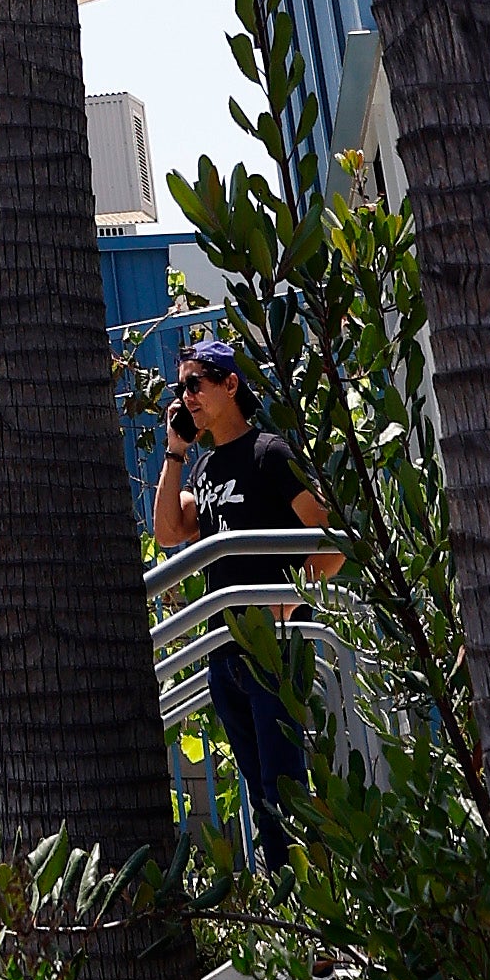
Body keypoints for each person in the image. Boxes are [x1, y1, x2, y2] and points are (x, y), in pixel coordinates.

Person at [149, 332, 336, 875]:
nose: (187, 396)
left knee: (286, 789)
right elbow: (167, 532)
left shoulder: (270, 453)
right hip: (225, 652)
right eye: (181, 387)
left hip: (275, 647)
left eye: (196, 384)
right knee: (260, 791)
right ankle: (291, 914)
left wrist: (291, 599)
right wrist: (175, 453)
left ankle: (314, 917)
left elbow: (329, 539)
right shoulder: (203, 470)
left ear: (230, 385)